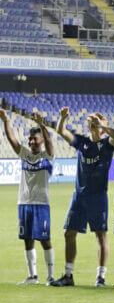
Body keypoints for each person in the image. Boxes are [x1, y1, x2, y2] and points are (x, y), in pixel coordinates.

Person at [50, 108, 114, 287]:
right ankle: (68, 275)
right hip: (79, 197)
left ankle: (101, 277)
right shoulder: (82, 142)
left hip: (98, 197)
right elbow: (61, 132)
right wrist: (63, 118)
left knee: (101, 236)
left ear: (102, 127)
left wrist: (102, 124)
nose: (91, 123)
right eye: (91, 121)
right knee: (69, 233)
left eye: (95, 122)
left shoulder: (106, 145)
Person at [2, 109, 55, 285]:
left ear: (41, 140)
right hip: (24, 203)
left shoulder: (47, 157)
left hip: (41, 204)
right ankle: (32, 276)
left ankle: (50, 276)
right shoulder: (24, 154)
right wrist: (5, 120)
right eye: (30, 139)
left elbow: (49, 142)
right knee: (27, 240)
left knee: (45, 240)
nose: (32, 141)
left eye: (35, 139)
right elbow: (12, 140)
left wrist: (42, 124)